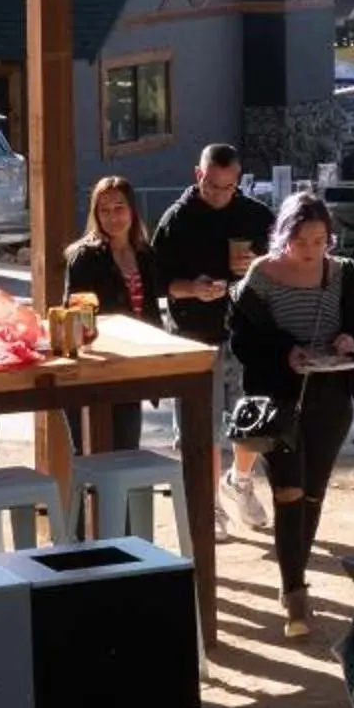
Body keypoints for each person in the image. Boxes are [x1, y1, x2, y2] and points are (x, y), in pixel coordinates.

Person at [227, 192, 354, 639]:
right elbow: (241, 340)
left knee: (314, 492)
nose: (312, 250)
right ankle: (294, 591)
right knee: (289, 490)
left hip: (331, 396)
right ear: (284, 237)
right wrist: (286, 353)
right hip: (277, 399)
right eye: (302, 241)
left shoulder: (345, 275)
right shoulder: (261, 276)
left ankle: (295, 572)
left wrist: (352, 339)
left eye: (320, 241)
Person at [152, 143, 278, 523]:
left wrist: (258, 264)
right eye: (212, 186)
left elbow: (284, 265)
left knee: (254, 422)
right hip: (193, 335)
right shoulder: (176, 219)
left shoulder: (256, 215)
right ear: (198, 175)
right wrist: (194, 288)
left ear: (237, 180)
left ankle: (239, 482)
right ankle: (208, 507)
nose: (220, 194)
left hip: (246, 333)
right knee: (200, 433)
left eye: (228, 187)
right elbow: (161, 281)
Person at [63, 174, 167, 453]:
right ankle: (82, 500)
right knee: (90, 454)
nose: (112, 217)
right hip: (95, 367)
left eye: (119, 208)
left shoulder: (145, 254)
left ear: (132, 209)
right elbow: (74, 314)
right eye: (104, 210)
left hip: (131, 367)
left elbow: (152, 311)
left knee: (126, 451)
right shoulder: (84, 256)